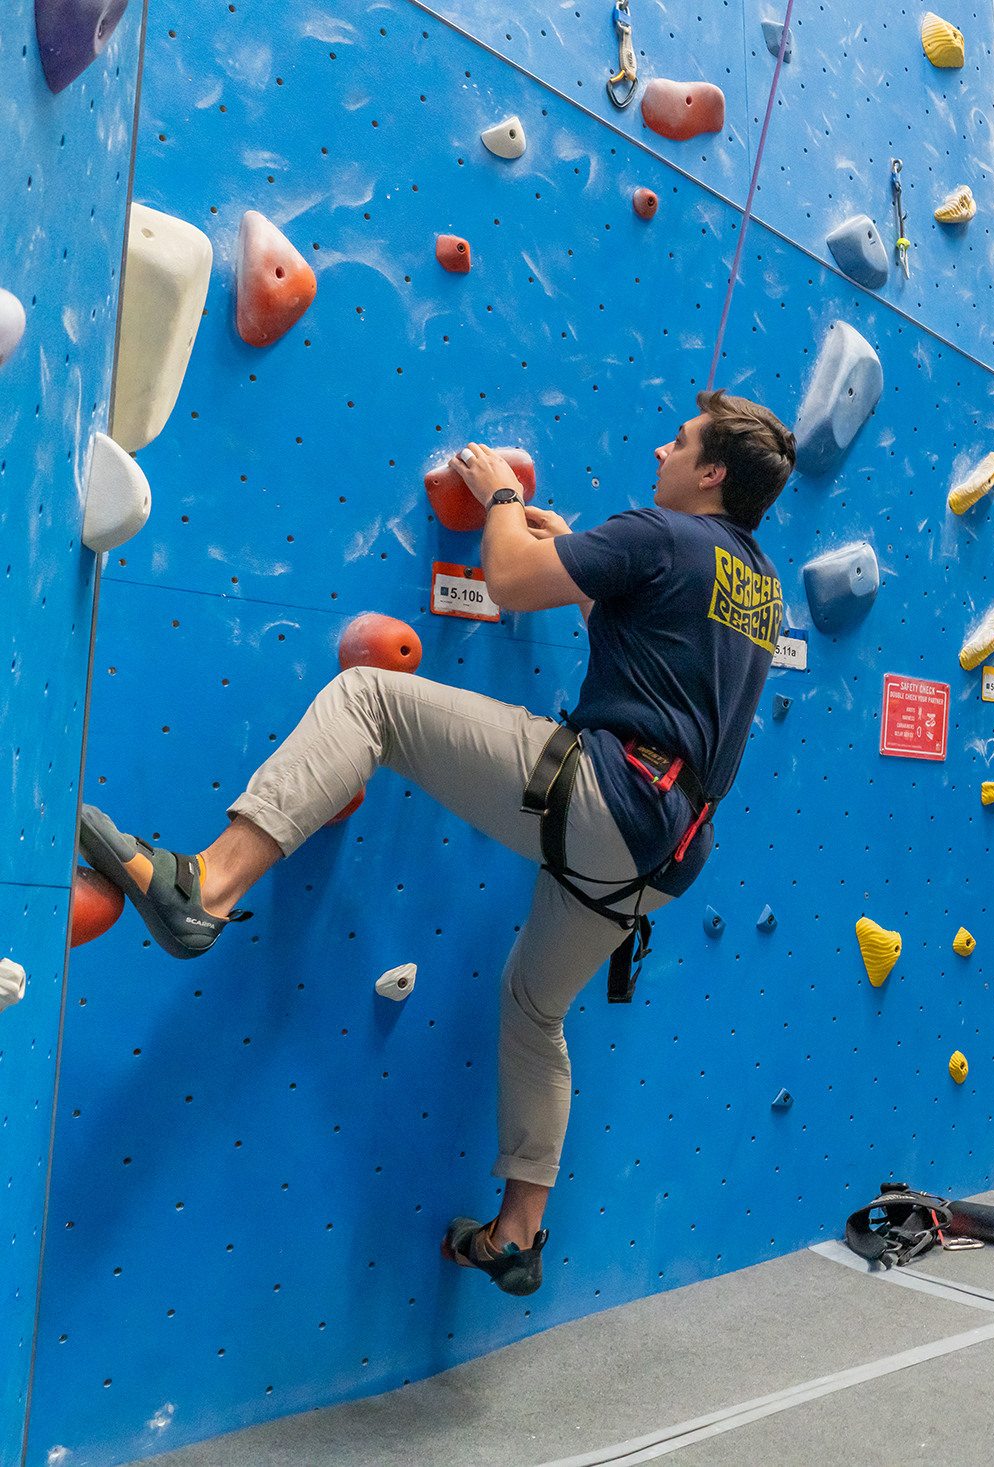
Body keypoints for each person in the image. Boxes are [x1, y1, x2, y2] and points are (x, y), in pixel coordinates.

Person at [75, 391, 795, 1298]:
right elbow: (656, 644)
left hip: (608, 799)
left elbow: (509, 583)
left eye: (681, 440)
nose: (662, 446)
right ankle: (517, 1233)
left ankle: (205, 887)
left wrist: (497, 497)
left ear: (713, 472)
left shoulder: (660, 532)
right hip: (667, 858)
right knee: (535, 1007)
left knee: (369, 700)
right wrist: (578, 546)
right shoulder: (756, 584)